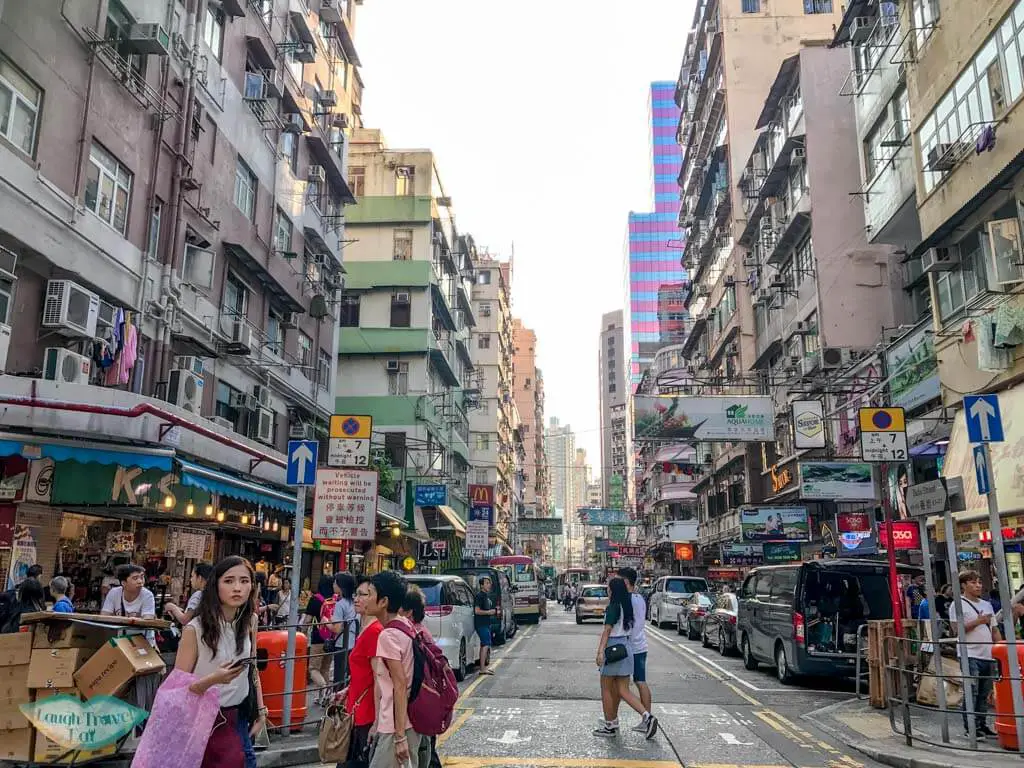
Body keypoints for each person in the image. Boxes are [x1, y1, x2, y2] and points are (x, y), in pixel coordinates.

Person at [173, 556, 266, 768]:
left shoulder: (250, 621)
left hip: (239, 717)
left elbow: (252, 669)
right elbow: (177, 689)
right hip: (202, 722)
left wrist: (261, 712)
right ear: (215, 585)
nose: (237, 588)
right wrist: (213, 680)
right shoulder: (195, 629)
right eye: (229, 581)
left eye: (244, 581)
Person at [368, 571, 428, 768]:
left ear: (383, 601)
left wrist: (399, 736)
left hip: (395, 725)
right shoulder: (405, 625)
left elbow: (400, 685)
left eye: (369, 594)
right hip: (410, 721)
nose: (363, 599)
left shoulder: (388, 636)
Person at [593, 577, 658, 739]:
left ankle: (610, 726)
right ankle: (647, 716)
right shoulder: (627, 606)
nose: (607, 590)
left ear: (613, 590)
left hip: (614, 648)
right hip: (626, 648)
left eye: (608, 588)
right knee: (623, 689)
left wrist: (600, 651)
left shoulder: (613, 607)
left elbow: (607, 631)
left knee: (606, 688)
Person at [336, 576, 385, 768]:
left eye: (364, 595)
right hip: (356, 709)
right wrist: (347, 690)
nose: (357, 599)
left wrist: (377, 722)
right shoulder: (364, 628)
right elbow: (362, 672)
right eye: (356, 594)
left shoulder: (374, 632)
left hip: (366, 714)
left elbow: (378, 678)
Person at [949, 570, 1000, 739]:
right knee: (972, 691)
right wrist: (978, 621)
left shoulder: (986, 605)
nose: (978, 585)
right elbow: (957, 630)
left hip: (987, 654)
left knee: (985, 692)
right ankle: (971, 727)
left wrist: (1000, 648)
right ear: (963, 585)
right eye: (973, 582)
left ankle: (981, 724)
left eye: (979, 582)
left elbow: (994, 628)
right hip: (969, 653)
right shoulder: (957, 605)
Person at [400, 585, 441, 768]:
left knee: (423, 752)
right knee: (426, 750)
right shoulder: (420, 631)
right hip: (425, 702)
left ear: (408, 612)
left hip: (419, 702)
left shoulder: (415, 634)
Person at [619, 567, 654, 731]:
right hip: (641, 645)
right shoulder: (640, 598)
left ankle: (612, 718)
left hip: (629, 647)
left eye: (620, 581)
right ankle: (647, 719)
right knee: (640, 682)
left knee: (619, 683)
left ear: (626, 582)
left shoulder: (627, 599)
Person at [302, 575, 336, 703]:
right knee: (325, 669)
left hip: (318, 638)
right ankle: (323, 697)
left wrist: (303, 634)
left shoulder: (315, 600)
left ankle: (325, 688)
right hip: (331, 638)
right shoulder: (334, 600)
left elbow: (307, 620)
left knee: (313, 669)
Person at [331, 572, 358, 690]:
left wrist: (326, 621)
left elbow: (337, 629)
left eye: (335, 582)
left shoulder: (340, 604)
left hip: (342, 644)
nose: (333, 584)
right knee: (350, 676)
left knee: (339, 677)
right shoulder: (355, 603)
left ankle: (337, 704)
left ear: (340, 586)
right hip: (354, 643)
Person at [165, 562, 213, 626]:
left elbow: (185, 619)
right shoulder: (213, 595)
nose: (191, 579)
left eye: (192, 576)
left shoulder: (199, 595)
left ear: (200, 578)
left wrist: (171, 607)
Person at [473, 576, 497, 676]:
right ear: (482, 585)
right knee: (485, 644)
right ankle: (482, 669)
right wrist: (489, 612)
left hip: (486, 624)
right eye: (486, 583)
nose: (489, 585)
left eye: (489, 583)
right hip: (481, 624)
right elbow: (477, 611)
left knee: (485, 645)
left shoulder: (486, 596)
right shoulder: (480, 596)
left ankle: (483, 667)